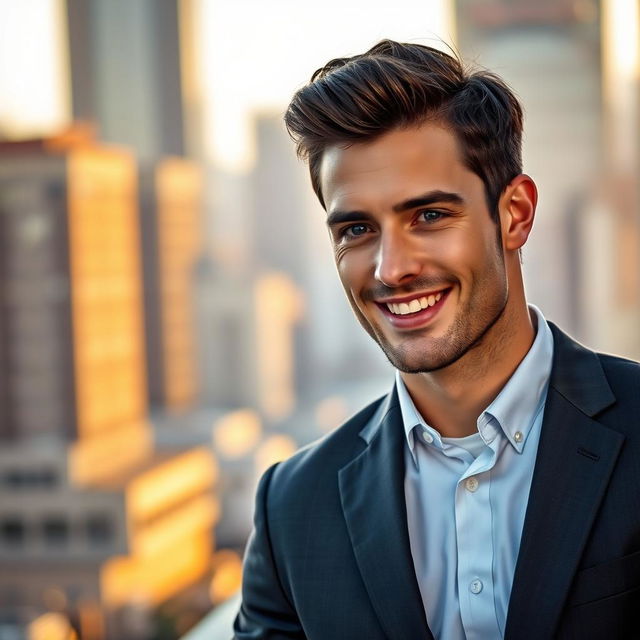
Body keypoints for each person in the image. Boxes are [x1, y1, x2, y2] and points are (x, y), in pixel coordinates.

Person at [233, 40, 640, 640]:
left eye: (428, 216)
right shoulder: (293, 508)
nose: (390, 269)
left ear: (515, 214)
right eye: (357, 229)